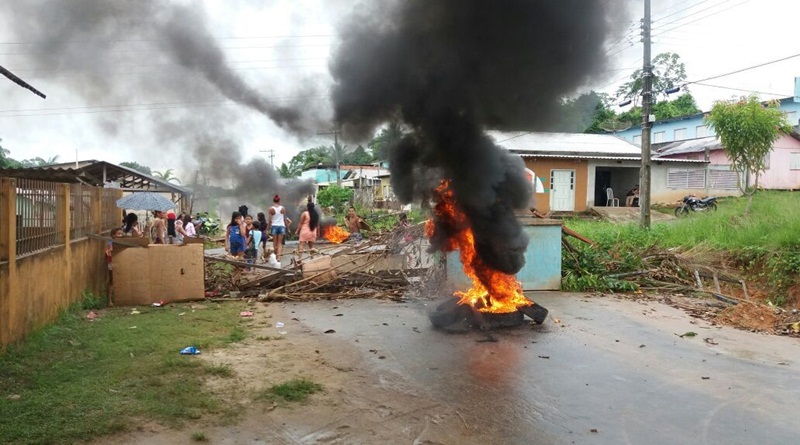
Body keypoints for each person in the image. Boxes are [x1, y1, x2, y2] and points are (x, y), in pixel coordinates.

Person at [267, 195, 292, 259]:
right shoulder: (283, 208)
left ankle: (275, 257)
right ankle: (279, 258)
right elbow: (284, 219)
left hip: (274, 226)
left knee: (275, 243)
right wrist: (288, 229)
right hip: (282, 226)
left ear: (273, 201)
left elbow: (270, 220)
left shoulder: (271, 209)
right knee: (280, 243)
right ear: (279, 201)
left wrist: (268, 229)